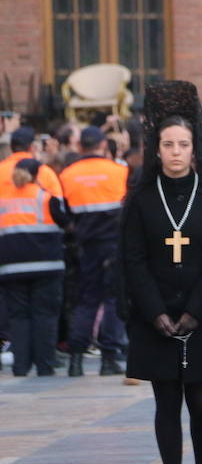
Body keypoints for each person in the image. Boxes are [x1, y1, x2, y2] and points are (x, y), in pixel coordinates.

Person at [118, 81, 202, 464]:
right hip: (156, 318)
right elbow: (132, 258)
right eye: (167, 144)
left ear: (194, 147)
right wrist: (155, 312)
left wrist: (194, 311)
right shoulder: (141, 196)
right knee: (166, 402)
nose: (174, 152)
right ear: (157, 148)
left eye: (182, 144)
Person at [59, 125, 129, 377]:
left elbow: (62, 213)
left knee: (87, 299)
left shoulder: (67, 174)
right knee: (113, 300)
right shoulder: (120, 171)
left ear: (80, 146)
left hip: (85, 246)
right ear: (102, 145)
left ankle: (75, 359)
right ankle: (108, 357)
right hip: (114, 244)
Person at [0, 158, 67, 376]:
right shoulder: (46, 197)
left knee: (19, 317)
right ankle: (44, 365)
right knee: (44, 315)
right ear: (38, 175)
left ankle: (20, 366)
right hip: (46, 267)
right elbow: (65, 222)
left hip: (11, 268)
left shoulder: (3, 200)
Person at [0, 127, 63, 198]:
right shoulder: (45, 172)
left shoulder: (1, 170)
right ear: (32, 147)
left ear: (11, 147)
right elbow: (59, 204)